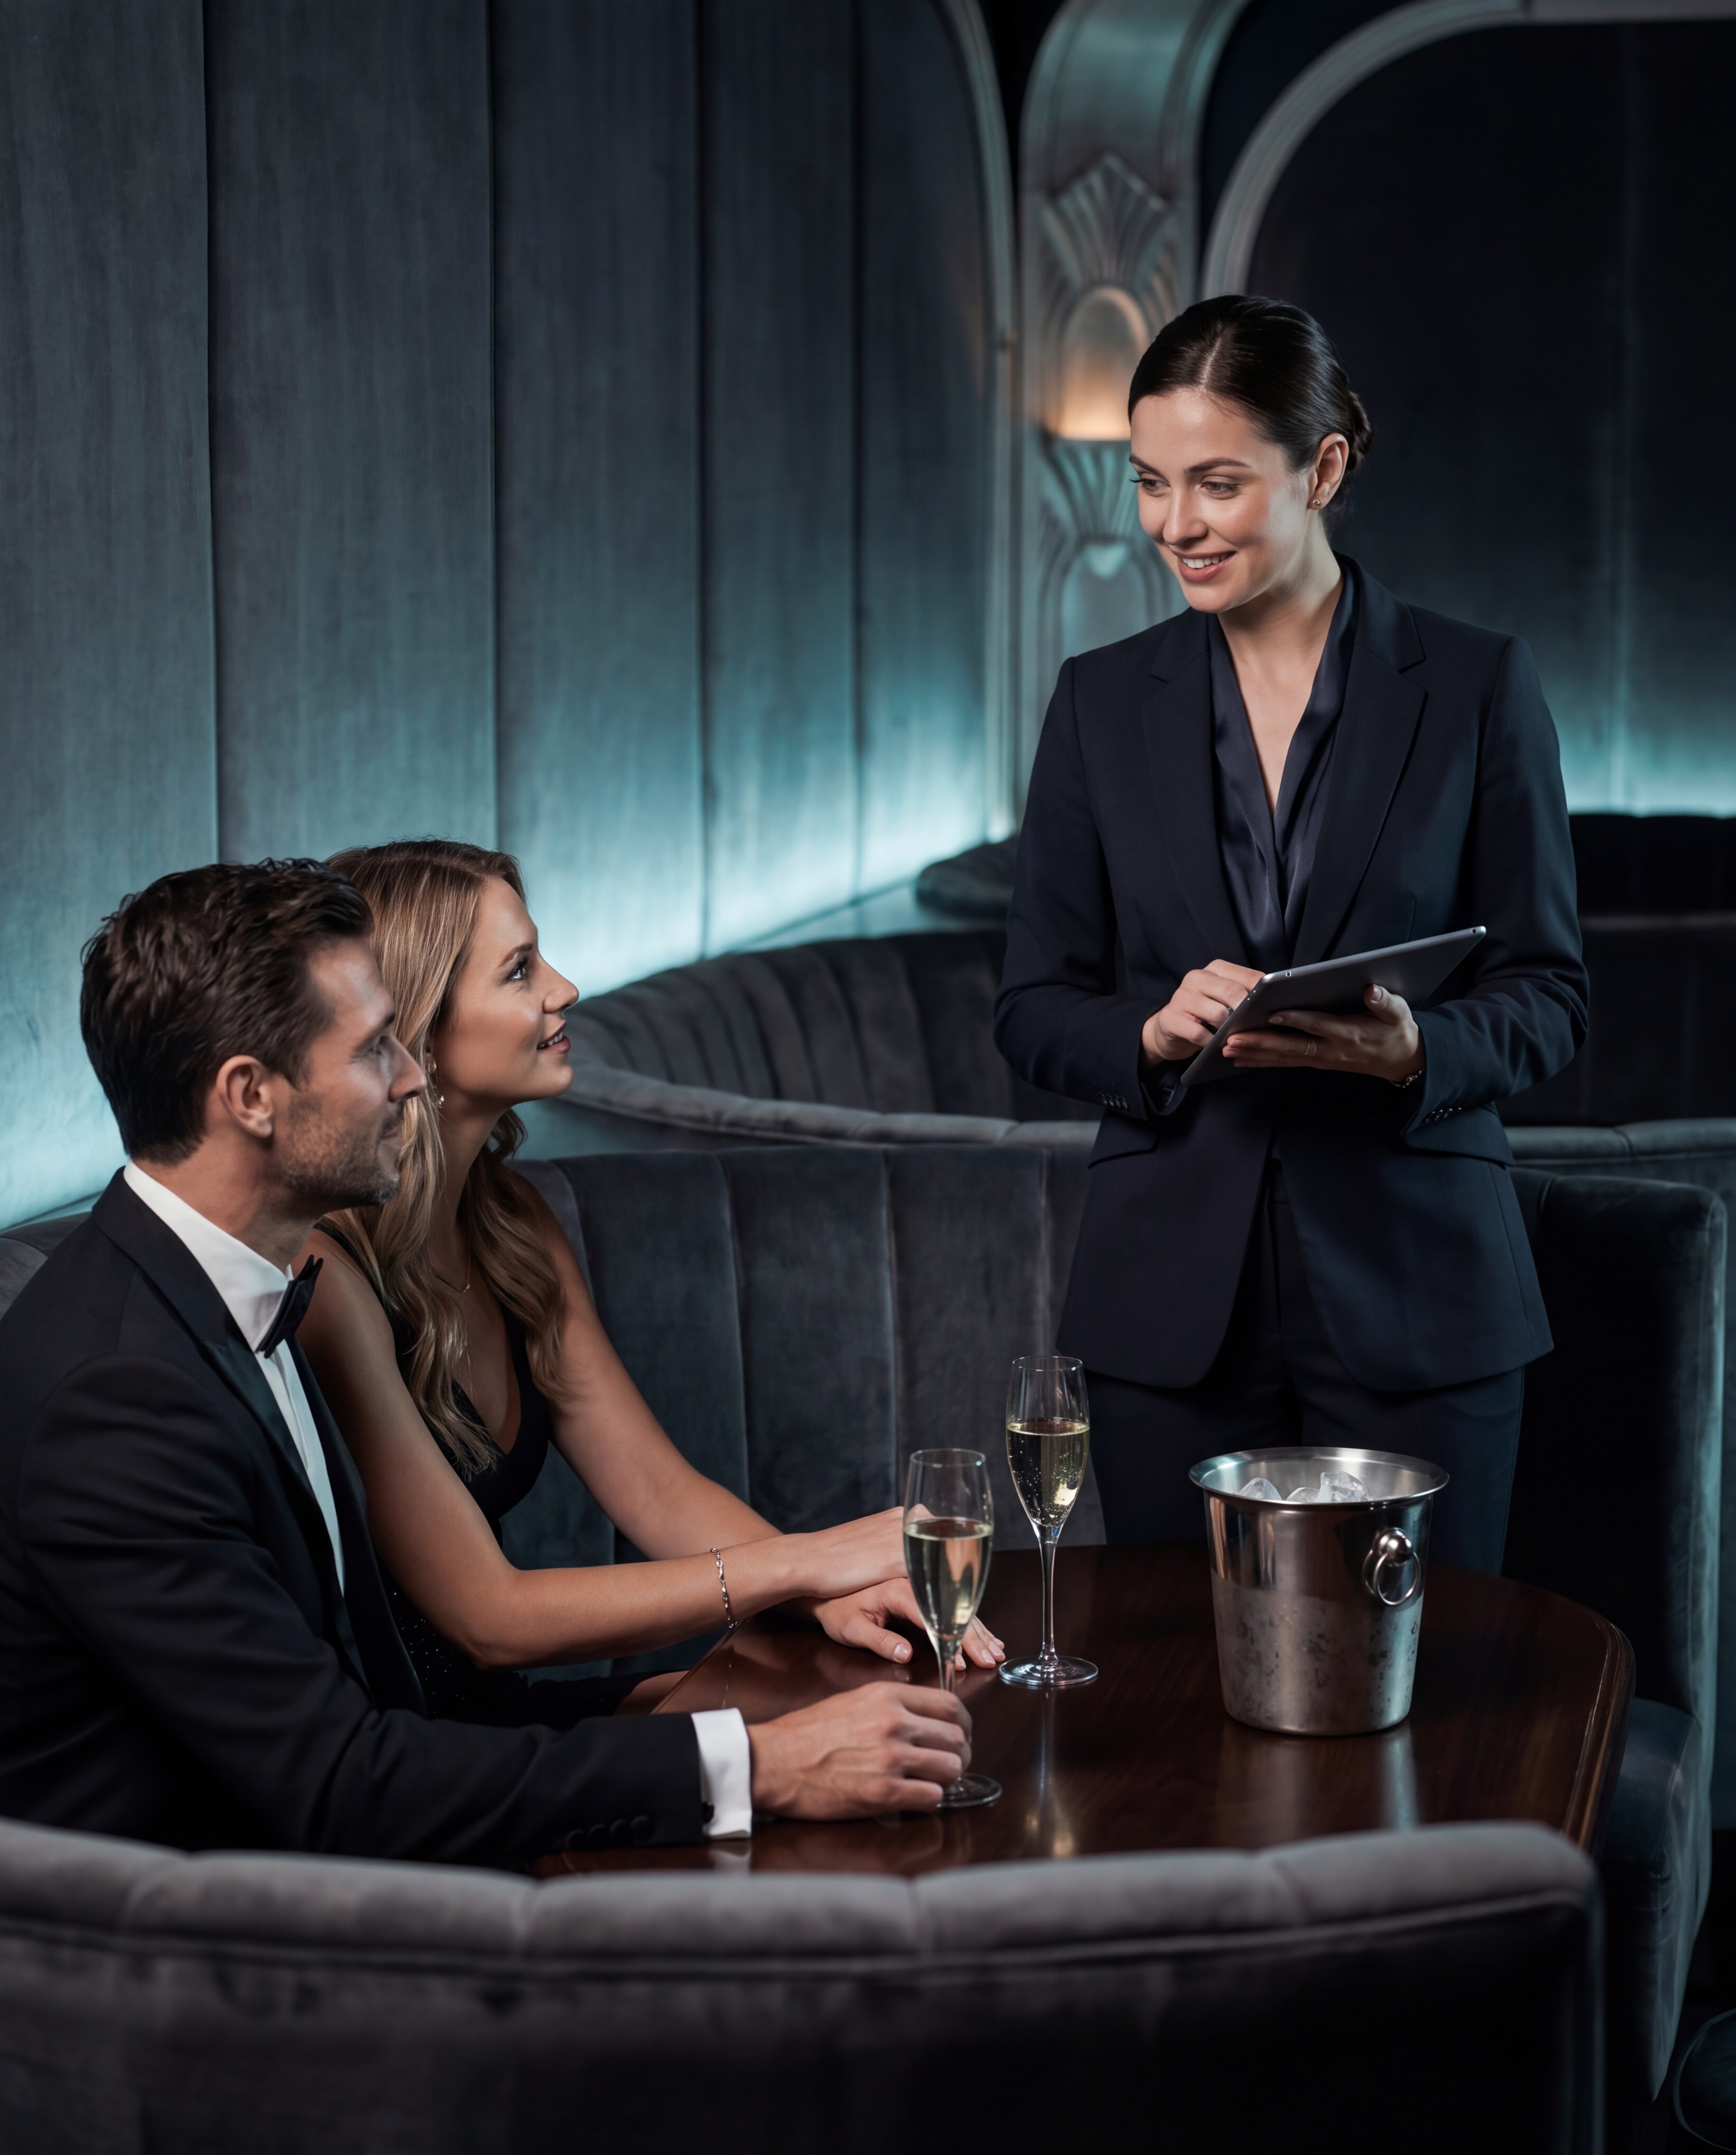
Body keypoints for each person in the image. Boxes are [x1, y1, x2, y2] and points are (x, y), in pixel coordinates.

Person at [0, 861, 971, 1863]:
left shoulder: (234, 1290)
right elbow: (342, 1787)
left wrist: (727, 1711)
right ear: (249, 1095)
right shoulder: (117, 1399)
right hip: (214, 1933)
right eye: (375, 1048)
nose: (410, 1076)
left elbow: (386, 1713)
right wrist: (755, 1765)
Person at [994, 295, 1588, 1569]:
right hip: (1167, 1310)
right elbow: (1031, 1005)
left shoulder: (1478, 685)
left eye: (1216, 484)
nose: (1174, 525)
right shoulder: (1097, 703)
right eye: (1150, 483)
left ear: (1321, 469)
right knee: (1174, 1672)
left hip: (1423, 1293)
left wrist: (1418, 1051)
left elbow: (1550, 992)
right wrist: (1149, 1035)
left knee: (1432, 1672)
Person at [293, 839, 1003, 1717]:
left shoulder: (512, 1224)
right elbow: (489, 1620)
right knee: (816, 1721)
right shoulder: (330, 1276)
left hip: (502, 1714)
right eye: (519, 971)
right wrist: (811, 1562)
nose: (565, 988)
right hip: (411, 1752)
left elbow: (658, 1491)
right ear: (421, 1032)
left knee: (879, 1691)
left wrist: (830, 1596)